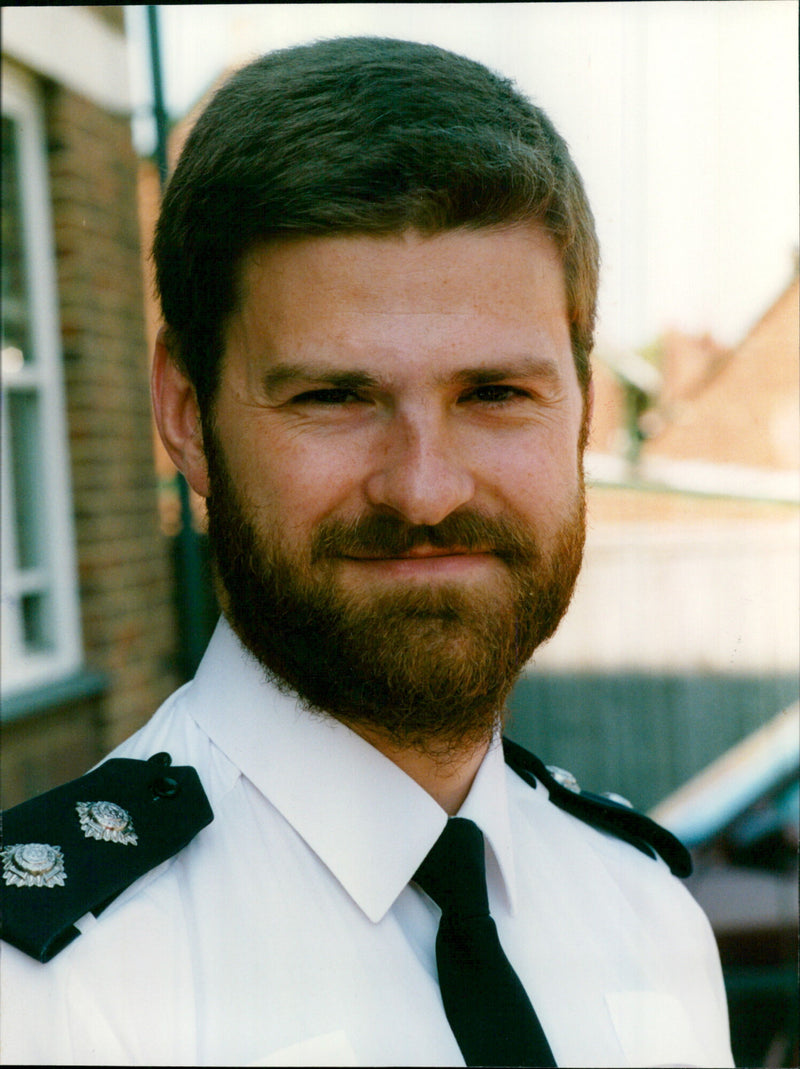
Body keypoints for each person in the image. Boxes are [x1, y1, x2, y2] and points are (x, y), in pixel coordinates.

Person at [0, 37, 733, 1067]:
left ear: (580, 412)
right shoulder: (49, 994)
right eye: (332, 397)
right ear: (186, 415)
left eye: (493, 394)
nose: (425, 487)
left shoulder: (650, 921)